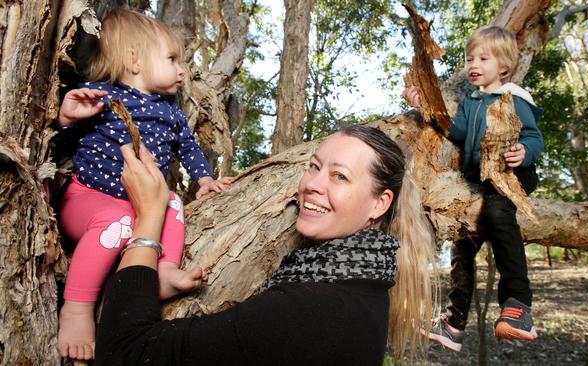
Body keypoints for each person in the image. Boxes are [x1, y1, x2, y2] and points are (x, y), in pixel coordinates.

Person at [94, 125, 438, 365]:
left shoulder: (312, 309)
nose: (312, 185)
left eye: (340, 176)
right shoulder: (364, 287)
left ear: (380, 203)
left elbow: (126, 353)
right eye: (314, 167)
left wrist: (150, 216)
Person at [56, 9, 232, 360]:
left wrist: (204, 179)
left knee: (173, 203)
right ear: (135, 61)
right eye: (172, 59)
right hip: (89, 202)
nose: (182, 69)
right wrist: (64, 119)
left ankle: (163, 269)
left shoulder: (172, 112)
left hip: (140, 214)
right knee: (116, 223)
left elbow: (188, 147)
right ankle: (75, 309)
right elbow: (63, 148)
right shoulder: (102, 98)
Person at [403, 25, 543, 351]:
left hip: (512, 177)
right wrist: (425, 104)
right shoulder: (471, 103)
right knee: (462, 246)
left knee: (497, 212)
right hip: (480, 180)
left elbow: (534, 138)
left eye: (483, 58)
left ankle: (518, 305)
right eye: (469, 59)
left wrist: (524, 153)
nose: (473, 64)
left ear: (504, 66)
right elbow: (456, 131)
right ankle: (454, 324)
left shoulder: (514, 98)